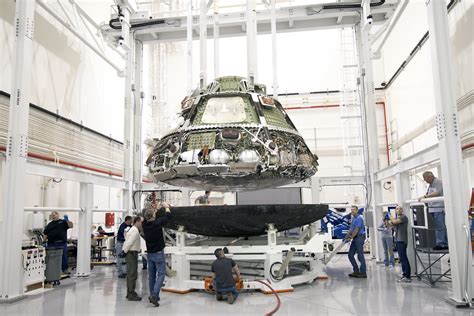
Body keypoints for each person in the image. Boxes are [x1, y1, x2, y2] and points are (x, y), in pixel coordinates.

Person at [143, 202, 172, 307]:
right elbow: (168, 216)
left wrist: (155, 209)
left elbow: (148, 216)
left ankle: (152, 294)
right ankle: (155, 295)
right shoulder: (157, 224)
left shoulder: (144, 225)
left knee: (151, 276)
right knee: (161, 274)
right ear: (153, 216)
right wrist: (167, 207)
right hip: (158, 253)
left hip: (150, 254)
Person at [418, 171, 448, 250]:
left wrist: (425, 196)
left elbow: (437, 193)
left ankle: (442, 243)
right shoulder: (431, 184)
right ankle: (441, 242)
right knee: (438, 226)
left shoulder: (438, 182)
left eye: (425, 179)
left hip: (438, 208)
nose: (425, 181)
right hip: (433, 208)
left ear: (429, 177)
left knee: (440, 226)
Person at [120, 216, 143, 301]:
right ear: (137, 221)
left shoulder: (132, 229)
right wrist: (124, 251)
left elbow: (128, 240)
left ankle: (129, 292)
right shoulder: (135, 231)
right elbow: (129, 242)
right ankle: (131, 294)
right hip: (131, 253)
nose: (141, 224)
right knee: (132, 274)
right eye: (141, 222)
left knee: (130, 273)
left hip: (131, 252)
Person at [389, 205, 411, 283]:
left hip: (402, 240)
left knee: (403, 258)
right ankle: (404, 274)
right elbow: (391, 225)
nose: (399, 210)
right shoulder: (398, 218)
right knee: (401, 258)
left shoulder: (403, 217)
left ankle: (407, 276)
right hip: (398, 240)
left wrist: (389, 215)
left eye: (400, 209)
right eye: (397, 209)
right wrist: (390, 222)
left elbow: (394, 222)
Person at [345, 205, 367, 278]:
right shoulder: (353, 218)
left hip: (359, 238)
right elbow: (351, 229)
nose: (352, 211)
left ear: (357, 210)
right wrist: (345, 237)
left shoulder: (359, 218)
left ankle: (363, 272)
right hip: (355, 238)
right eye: (351, 210)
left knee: (360, 255)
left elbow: (356, 230)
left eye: (354, 209)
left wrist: (350, 237)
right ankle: (356, 271)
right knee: (350, 255)